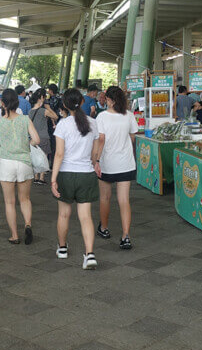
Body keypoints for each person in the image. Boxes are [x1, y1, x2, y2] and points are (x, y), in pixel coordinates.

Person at [0, 89, 40, 245]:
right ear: (16, 101)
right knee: (25, 199)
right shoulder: (25, 119)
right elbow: (36, 139)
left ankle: (14, 235)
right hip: (24, 163)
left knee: (9, 202)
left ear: (2, 103)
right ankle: (27, 224)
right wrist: (27, 144)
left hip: (6, 163)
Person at [51, 89, 99, 270]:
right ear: (81, 101)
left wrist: (53, 179)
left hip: (66, 174)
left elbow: (59, 154)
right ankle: (90, 254)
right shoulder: (93, 123)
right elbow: (94, 154)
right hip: (86, 174)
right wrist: (92, 164)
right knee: (86, 217)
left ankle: (62, 249)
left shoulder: (63, 124)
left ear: (64, 104)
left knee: (64, 214)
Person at [94, 86, 138, 250]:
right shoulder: (129, 116)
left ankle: (104, 228)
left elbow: (101, 139)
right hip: (126, 163)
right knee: (124, 200)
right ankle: (126, 236)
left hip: (107, 164)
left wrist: (96, 161)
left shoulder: (102, 117)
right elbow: (132, 137)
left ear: (110, 100)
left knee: (105, 198)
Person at [28, 88, 57, 184]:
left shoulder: (30, 111)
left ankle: (35, 176)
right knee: (43, 157)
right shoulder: (44, 111)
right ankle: (41, 178)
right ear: (41, 98)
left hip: (33, 138)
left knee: (35, 156)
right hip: (43, 137)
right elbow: (55, 116)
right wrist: (48, 107)